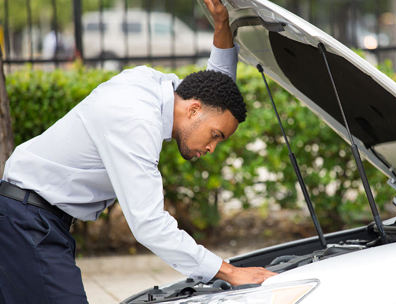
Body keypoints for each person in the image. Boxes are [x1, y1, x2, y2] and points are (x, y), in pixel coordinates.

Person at [0, 0, 276, 303]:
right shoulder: (134, 120)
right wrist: (228, 272)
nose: (211, 148)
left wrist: (222, 27)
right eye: (215, 136)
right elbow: (149, 224)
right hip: (27, 223)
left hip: (31, 218)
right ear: (194, 109)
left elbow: (215, 91)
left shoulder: (162, 90)